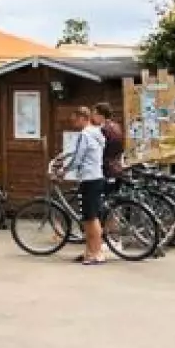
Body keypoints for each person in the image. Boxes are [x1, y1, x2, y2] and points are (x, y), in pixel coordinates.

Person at [60, 106, 107, 264]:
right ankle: (89, 251)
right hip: (96, 176)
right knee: (89, 218)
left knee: (91, 218)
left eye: (75, 120)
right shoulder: (97, 133)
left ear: (82, 118)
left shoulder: (85, 135)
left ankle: (97, 253)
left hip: (89, 178)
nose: (74, 123)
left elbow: (78, 158)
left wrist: (64, 170)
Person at [92, 102, 125, 185]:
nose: (93, 117)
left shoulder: (102, 129)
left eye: (95, 114)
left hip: (106, 169)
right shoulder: (117, 126)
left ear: (101, 116)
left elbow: (96, 151)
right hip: (118, 167)